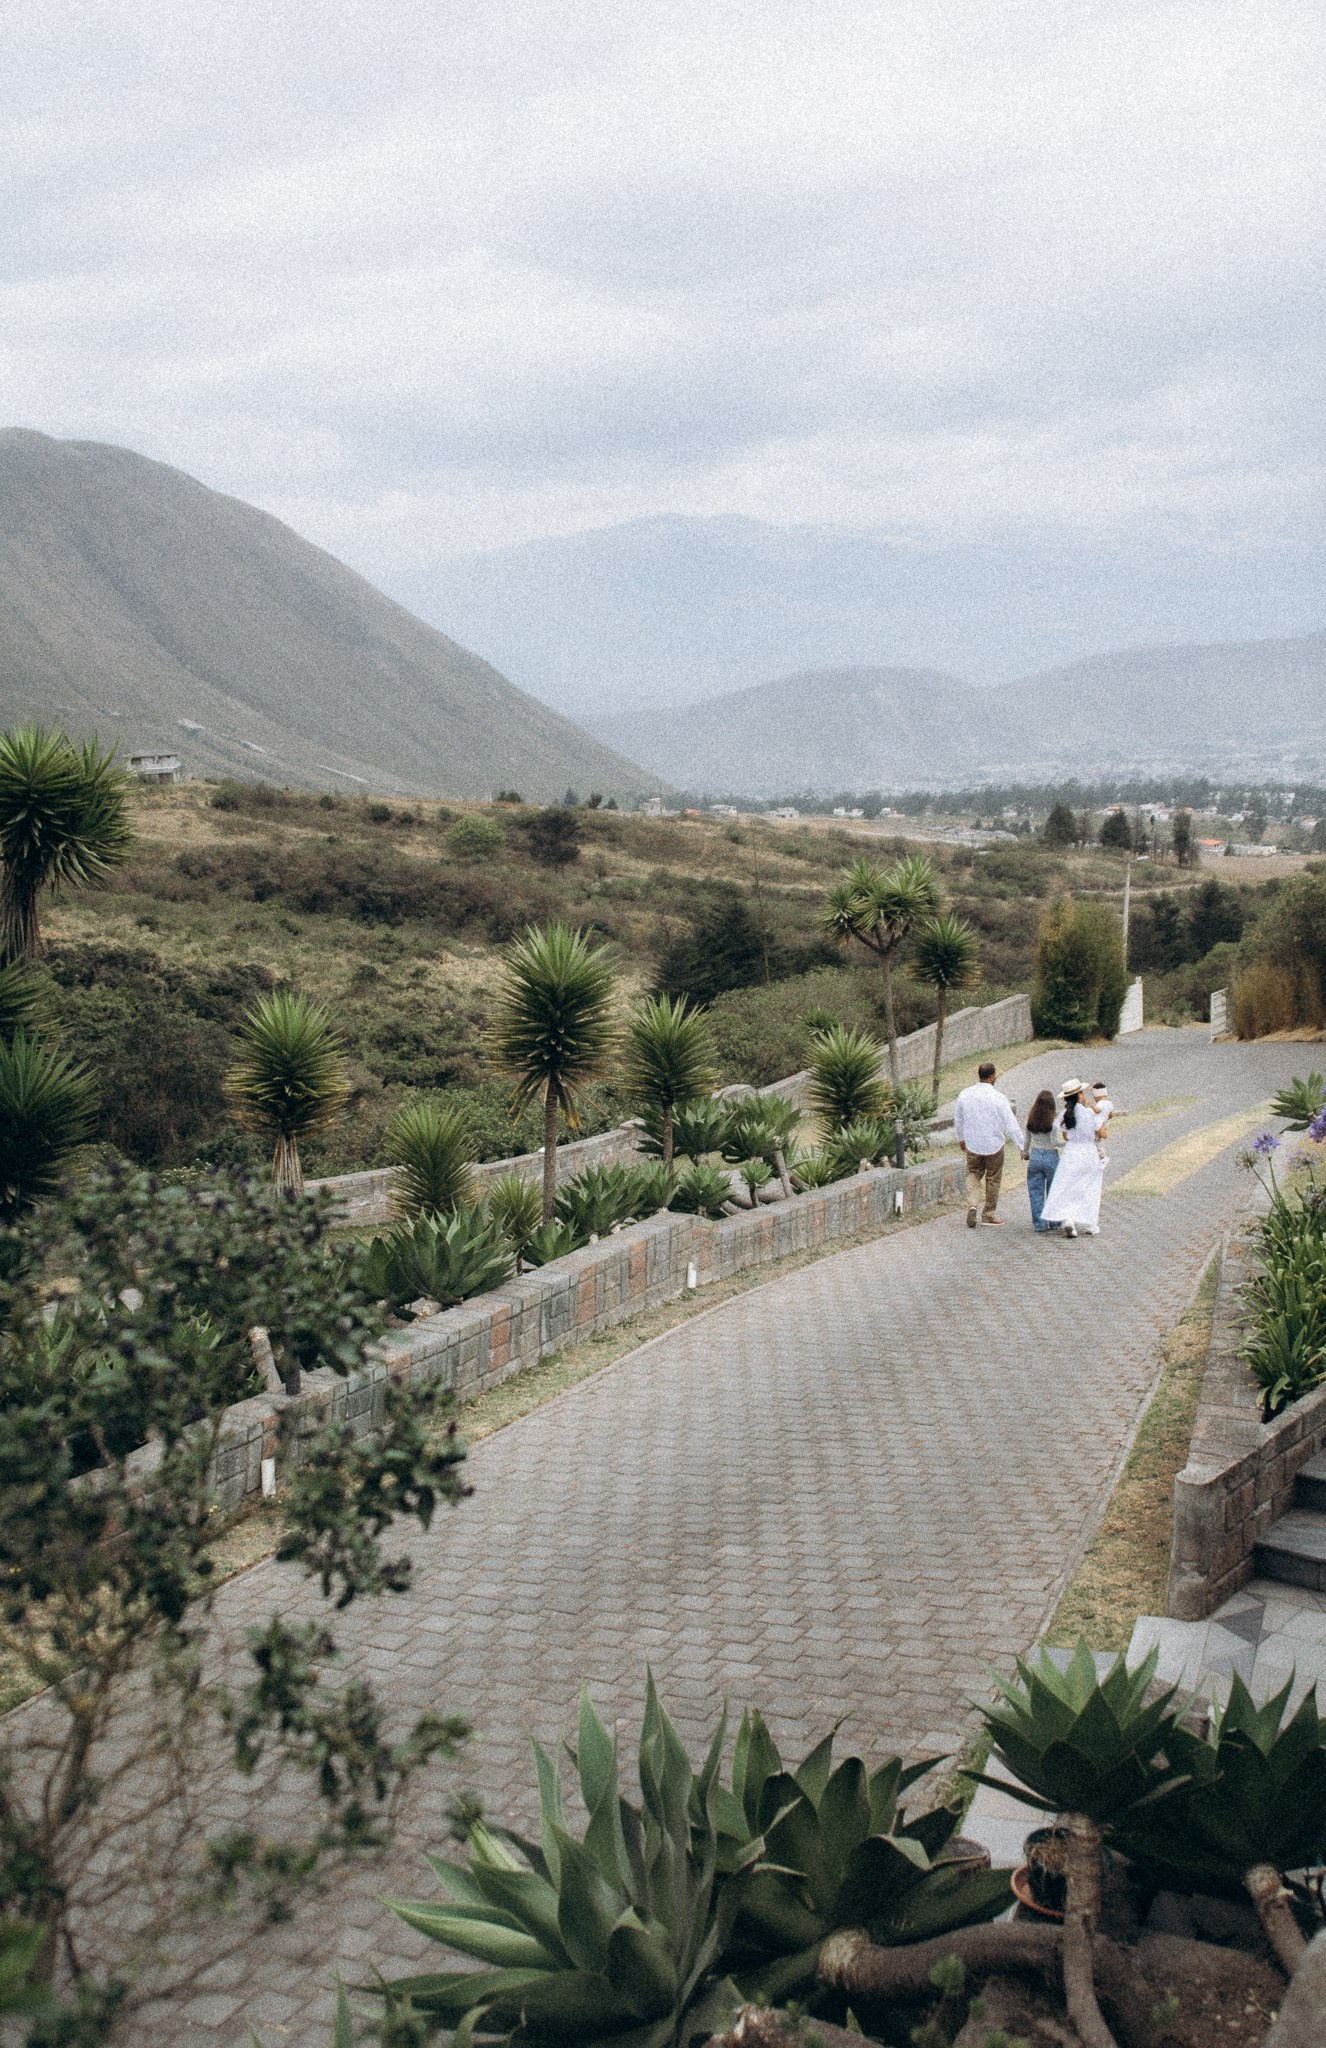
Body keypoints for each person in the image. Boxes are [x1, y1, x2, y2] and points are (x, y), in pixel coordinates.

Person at [953, 1060, 1023, 1228]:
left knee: (973, 1173)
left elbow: (958, 1119)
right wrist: (1022, 1146)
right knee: (993, 1178)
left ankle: (972, 1204)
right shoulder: (998, 1097)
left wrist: (961, 1138)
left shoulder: (965, 1094)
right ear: (992, 1077)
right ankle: (988, 1214)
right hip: (994, 1144)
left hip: (973, 1143)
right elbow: (1010, 1123)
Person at [1040, 1078, 1106, 1238]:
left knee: (1069, 1186)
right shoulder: (1088, 1113)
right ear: (1080, 1095)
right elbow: (1102, 1133)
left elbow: (1066, 1135)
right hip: (1088, 1151)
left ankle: (1069, 1219)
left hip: (1071, 1152)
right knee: (1090, 1186)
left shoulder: (1064, 1115)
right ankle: (1091, 1223)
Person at [1021, 1088, 1061, 1233]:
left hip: (1035, 1155)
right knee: (1053, 1190)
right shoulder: (1053, 1124)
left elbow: (1026, 1141)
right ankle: (1055, 1222)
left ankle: (1039, 1223)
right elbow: (1055, 1142)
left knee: (1035, 1191)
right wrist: (1068, 1143)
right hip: (1051, 1156)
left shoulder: (1030, 1121)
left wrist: (1025, 1153)